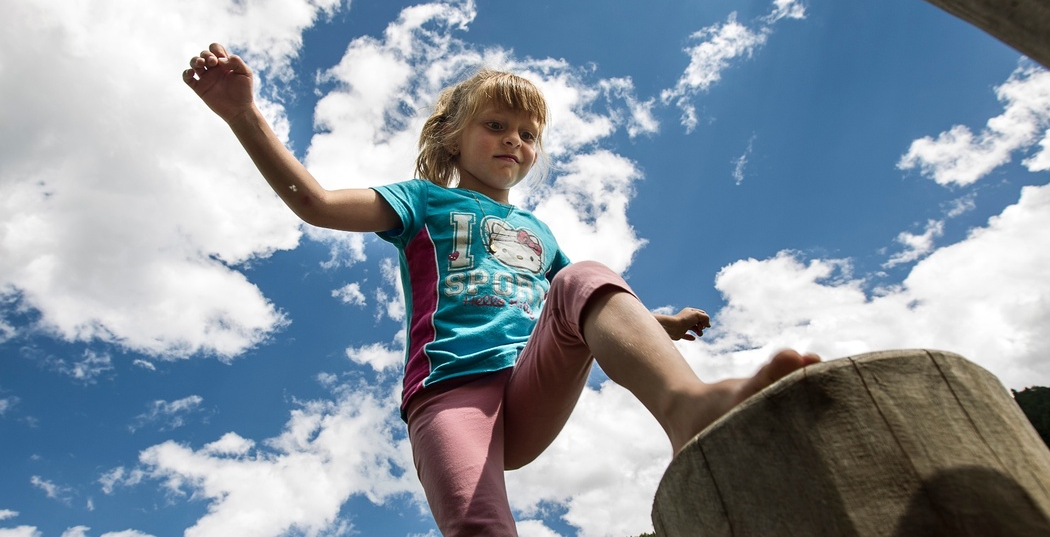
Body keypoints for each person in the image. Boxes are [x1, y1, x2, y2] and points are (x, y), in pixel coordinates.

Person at [183, 43, 820, 536]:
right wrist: (243, 114)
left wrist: (659, 322)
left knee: (580, 273)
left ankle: (689, 408)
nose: (513, 139)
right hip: (452, 394)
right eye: (495, 124)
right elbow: (316, 203)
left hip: (529, 387)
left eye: (527, 133)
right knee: (477, 525)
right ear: (452, 138)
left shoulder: (537, 230)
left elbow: (583, 300)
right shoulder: (424, 200)